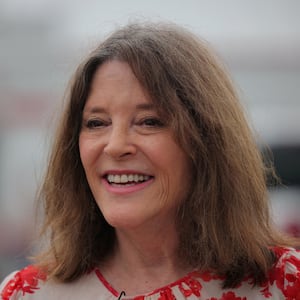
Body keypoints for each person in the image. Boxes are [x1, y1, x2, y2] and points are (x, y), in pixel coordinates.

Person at [1, 22, 300, 300]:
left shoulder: (284, 284)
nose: (116, 146)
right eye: (96, 123)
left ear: (205, 141)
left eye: (149, 121)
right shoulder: (26, 294)